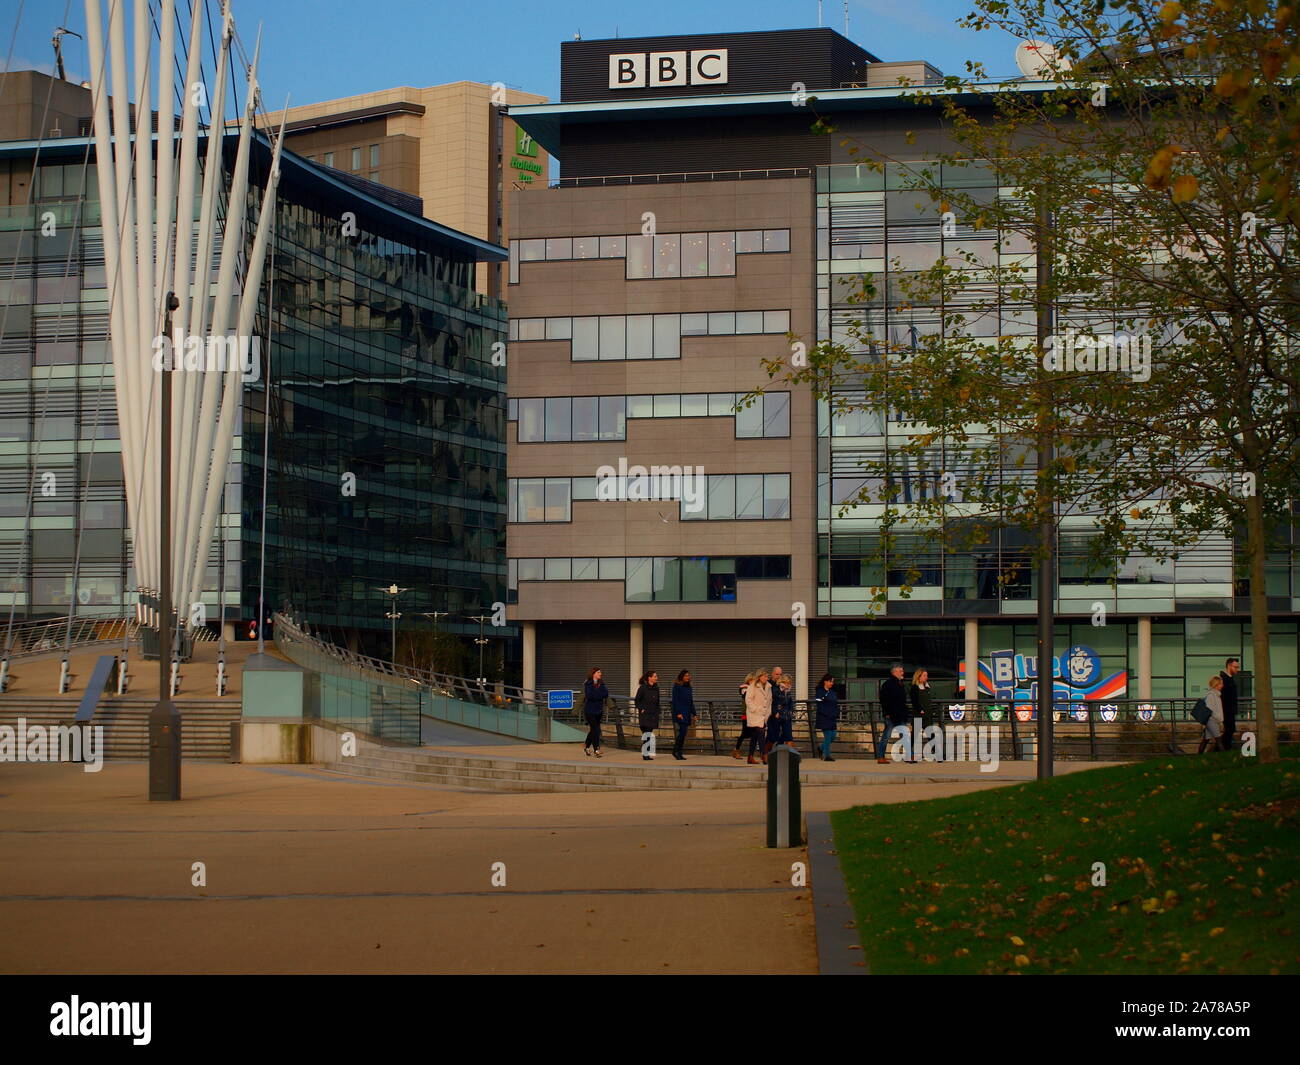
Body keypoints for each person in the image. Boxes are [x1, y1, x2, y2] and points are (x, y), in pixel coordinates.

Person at [877, 663, 911, 763]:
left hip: (900, 715)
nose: (903, 673)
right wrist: (886, 713)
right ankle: (880, 757)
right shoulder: (888, 684)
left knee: (904, 735)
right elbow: (884, 700)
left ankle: (909, 756)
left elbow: (902, 700)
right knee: (886, 736)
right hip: (891, 715)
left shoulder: (900, 684)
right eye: (901, 671)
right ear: (894, 672)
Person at [742, 668, 773, 764]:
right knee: (761, 733)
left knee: (755, 736)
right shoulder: (753, 686)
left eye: (767, 676)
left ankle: (750, 757)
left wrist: (768, 712)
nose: (766, 678)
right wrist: (755, 709)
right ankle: (764, 755)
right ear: (759, 677)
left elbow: (769, 701)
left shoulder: (768, 686)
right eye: (764, 676)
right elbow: (748, 699)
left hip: (764, 715)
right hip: (755, 714)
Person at [909, 667, 940, 762]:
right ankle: (909, 754)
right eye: (924, 675)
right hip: (918, 715)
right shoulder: (914, 687)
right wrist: (920, 709)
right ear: (919, 676)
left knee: (931, 735)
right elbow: (914, 701)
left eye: (927, 675)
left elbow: (928, 701)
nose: (926, 677)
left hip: (927, 716)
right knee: (915, 736)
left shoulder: (927, 687)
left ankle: (938, 755)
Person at [634, 670, 661, 760]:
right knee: (647, 733)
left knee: (649, 734)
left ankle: (647, 753)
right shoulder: (643, 688)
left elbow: (657, 701)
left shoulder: (656, 688)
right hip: (645, 714)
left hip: (653, 714)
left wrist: (658, 711)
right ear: (650, 678)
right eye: (655, 676)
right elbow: (637, 700)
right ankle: (646, 754)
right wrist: (641, 709)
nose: (656, 678)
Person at [582, 667, 608, 757]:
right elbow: (589, 696)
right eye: (598, 672)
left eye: (600, 672)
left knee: (593, 729)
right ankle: (596, 749)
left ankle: (586, 746)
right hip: (589, 710)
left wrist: (597, 694)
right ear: (593, 674)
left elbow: (606, 694)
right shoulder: (588, 683)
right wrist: (599, 695)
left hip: (599, 710)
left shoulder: (602, 683)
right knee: (596, 730)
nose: (600, 674)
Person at [670, 670, 696, 760]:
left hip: (687, 712)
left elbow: (691, 701)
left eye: (688, 675)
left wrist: (694, 713)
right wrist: (678, 713)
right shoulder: (677, 687)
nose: (687, 677)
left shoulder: (689, 688)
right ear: (681, 677)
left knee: (683, 733)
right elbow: (675, 701)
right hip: (680, 713)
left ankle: (676, 751)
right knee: (682, 732)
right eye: (685, 676)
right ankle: (677, 752)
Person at [1198, 675, 1225, 754]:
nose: (1222, 685)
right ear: (1216, 684)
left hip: (1213, 720)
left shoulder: (1216, 695)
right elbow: (1210, 710)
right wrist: (1219, 719)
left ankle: (1198, 756)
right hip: (1212, 721)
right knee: (1219, 740)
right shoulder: (1211, 695)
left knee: (1206, 740)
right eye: (1221, 684)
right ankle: (1225, 757)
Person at [815, 673, 839, 761]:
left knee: (833, 735)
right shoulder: (820, 692)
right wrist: (826, 713)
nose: (831, 683)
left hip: (832, 717)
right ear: (825, 681)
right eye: (830, 681)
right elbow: (819, 705)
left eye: (832, 682)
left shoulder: (833, 692)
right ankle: (827, 755)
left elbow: (835, 704)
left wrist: (836, 713)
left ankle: (821, 748)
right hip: (824, 717)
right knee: (828, 736)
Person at [1219, 657, 1240, 751]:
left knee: (1230, 729)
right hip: (1226, 709)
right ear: (1229, 666)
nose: (1237, 669)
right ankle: (1223, 748)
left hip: (1229, 709)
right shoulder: (1224, 679)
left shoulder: (1228, 678)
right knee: (1229, 729)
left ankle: (1223, 748)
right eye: (1235, 667)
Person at [766, 669, 789, 754]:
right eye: (776, 674)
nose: (778, 676)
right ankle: (766, 751)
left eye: (780, 674)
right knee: (772, 734)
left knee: (783, 733)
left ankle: (775, 751)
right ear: (772, 674)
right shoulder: (768, 684)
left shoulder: (781, 685)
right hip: (771, 713)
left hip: (781, 713)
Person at [733, 672, 755, 759]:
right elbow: (746, 695)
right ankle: (736, 750)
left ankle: (750, 754)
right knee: (744, 733)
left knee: (753, 733)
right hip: (746, 714)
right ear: (749, 680)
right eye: (753, 680)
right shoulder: (745, 688)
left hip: (752, 714)